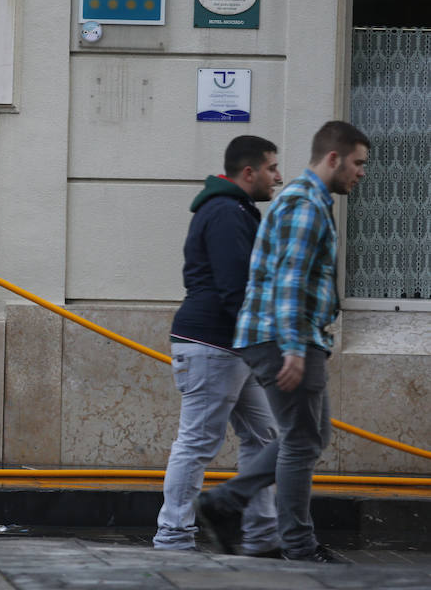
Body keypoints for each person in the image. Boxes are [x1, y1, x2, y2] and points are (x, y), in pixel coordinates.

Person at [195, 121, 370, 563]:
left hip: (285, 335)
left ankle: (227, 502)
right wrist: (293, 347)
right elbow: (288, 284)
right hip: (284, 337)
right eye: (358, 162)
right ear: (333, 158)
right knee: (299, 440)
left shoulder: (304, 201)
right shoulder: (306, 204)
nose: (361, 173)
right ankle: (296, 544)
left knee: (310, 435)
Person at [152, 136, 282, 556]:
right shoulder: (226, 211)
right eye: (272, 168)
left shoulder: (235, 209)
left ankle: (263, 536)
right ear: (249, 172)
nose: (278, 176)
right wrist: (266, 346)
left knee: (263, 437)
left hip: (230, 346)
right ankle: (173, 537)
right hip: (212, 344)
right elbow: (234, 289)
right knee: (196, 443)